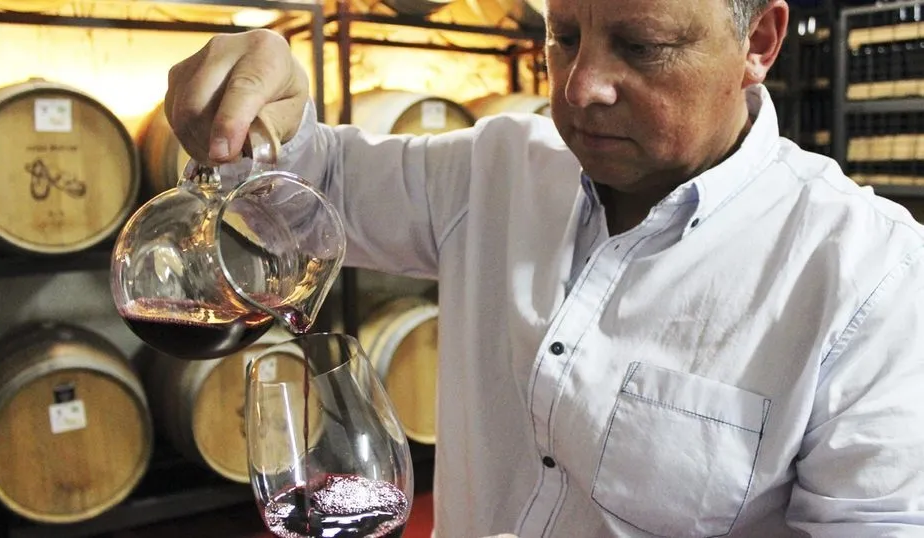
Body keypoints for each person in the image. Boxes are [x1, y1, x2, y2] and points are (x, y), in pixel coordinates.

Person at [164, 0, 924, 535]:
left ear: (759, 41)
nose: (580, 86)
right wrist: (264, 115)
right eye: (564, 35)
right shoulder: (493, 169)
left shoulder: (868, 272)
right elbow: (309, 192)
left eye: (641, 45)